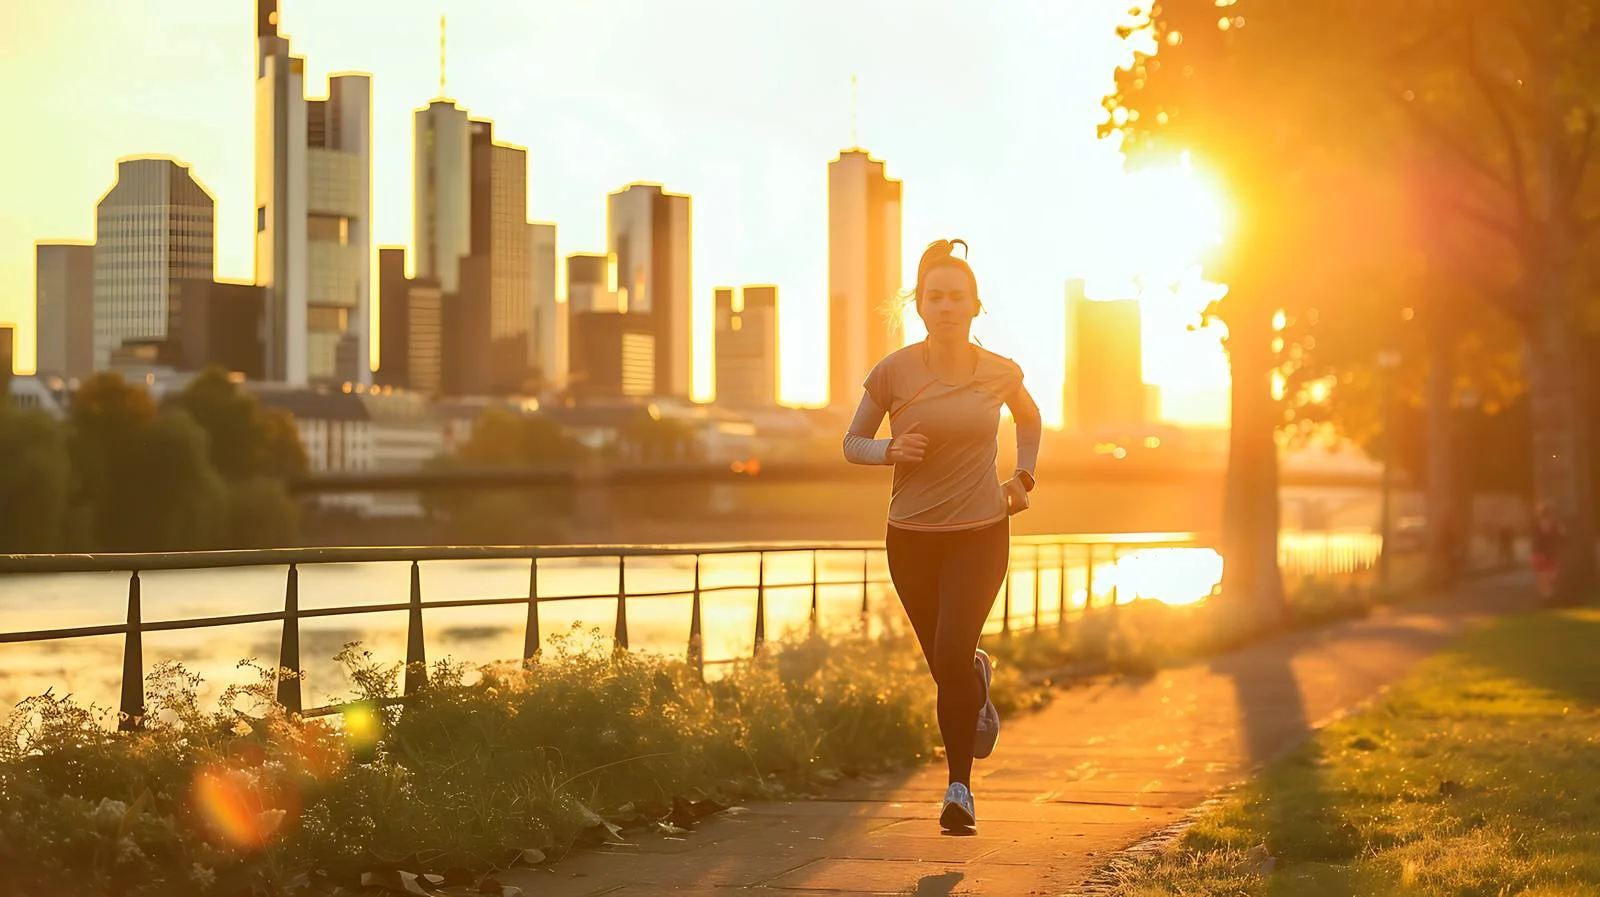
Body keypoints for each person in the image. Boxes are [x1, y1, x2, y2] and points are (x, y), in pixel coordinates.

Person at [841, 238, 1043, 834]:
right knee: (945, 665)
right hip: (911, 538)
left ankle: (959, 790)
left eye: (958, 296)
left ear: (975, 306)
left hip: (981, 534)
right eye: (936, 297)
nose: (947, 306)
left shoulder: (1000, 372)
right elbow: (852, 443)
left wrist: (1023, 475)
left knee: (952, 651)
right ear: (920, 306)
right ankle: (976, 680)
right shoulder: (893, 372)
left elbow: (1029, 419)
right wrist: (889, 450)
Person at [1531, 502, 1563, 600]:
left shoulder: (1554, 526)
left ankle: (1547, 596)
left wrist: (1561, 532)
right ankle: (1546, 598)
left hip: (1550, 554)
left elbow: (1559, 537)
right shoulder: (1536, 526)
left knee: (1552, 576)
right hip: (1540, 554)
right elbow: (1536, 541)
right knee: (1543, 578)